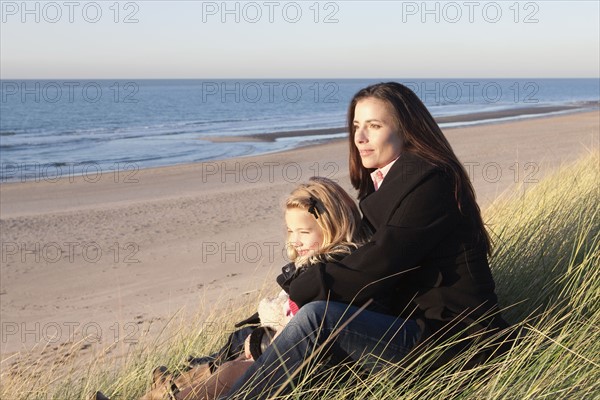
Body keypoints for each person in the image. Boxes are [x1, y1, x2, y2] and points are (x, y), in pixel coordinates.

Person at [222, 82, 510, 399]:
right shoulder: (389, 183)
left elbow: (378, 265)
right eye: (357, 126)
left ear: (407, 129)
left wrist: (302, 282)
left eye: (374, 126)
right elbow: (365, 260)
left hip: (453, 345)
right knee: (295, 329)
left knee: (317, 319)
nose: (360, 138)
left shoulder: (431, 182)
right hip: (416, 326)